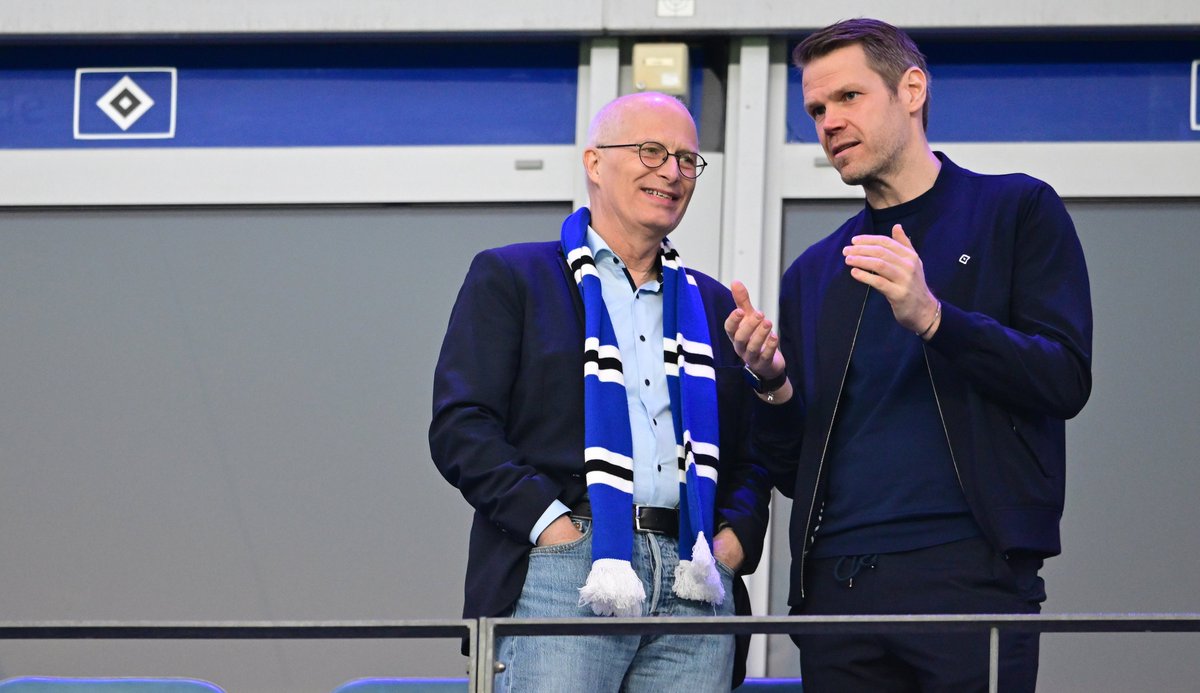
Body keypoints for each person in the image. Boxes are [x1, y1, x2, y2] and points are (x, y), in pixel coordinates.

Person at [725, 18, 1093, 692]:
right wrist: (772, 387)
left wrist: (935, 318)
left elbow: (1063, 378)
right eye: (815, 109)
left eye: (848, 98)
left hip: (970, 576)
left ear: (912, 89)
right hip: (836, 591)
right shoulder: (815, 272)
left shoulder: (1016, 211)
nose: (829, 122)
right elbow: (786, 469)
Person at [430, 91, 772, 692]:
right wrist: (551, 527)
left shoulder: (713, 305)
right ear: (594, 162)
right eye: (651, 151)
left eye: (687, 160)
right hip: (564, 567)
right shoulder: (515, 277)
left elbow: (750, 453)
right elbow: (462, 426)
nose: (671, 172)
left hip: (696, 576)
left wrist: (734, 541)